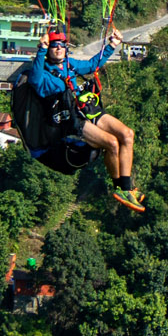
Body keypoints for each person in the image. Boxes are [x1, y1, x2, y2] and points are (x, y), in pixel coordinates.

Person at [30, 25, 142, 212]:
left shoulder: (70, 64)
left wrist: (112, 45)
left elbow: (92, 65)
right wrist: (40, 51)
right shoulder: (44, 72)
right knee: (112, 143)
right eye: (54, 45)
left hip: (88, 109)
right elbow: (34, 81)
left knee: (127, 134)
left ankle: (128, 186)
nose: (59, 48)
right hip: (70, 119)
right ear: (49, 49)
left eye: (62, 45)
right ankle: (120, 189)